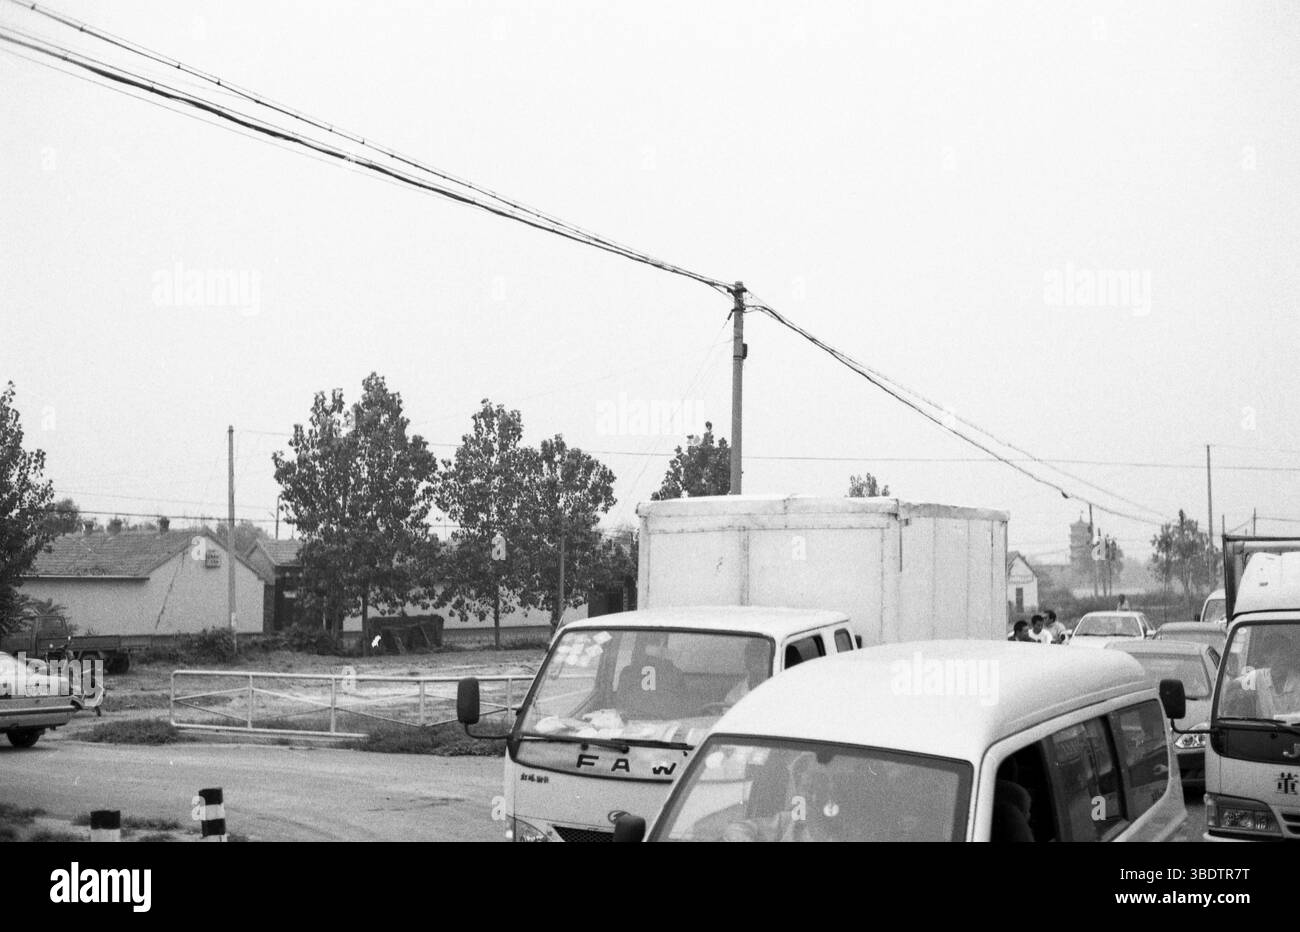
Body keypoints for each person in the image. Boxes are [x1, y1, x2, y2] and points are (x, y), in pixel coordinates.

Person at [724, 639, 772, 706]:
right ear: (747, 662)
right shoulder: (733, 697)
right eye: (758, 657)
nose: (763, 663)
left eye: (766, 658)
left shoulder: (777, 691)